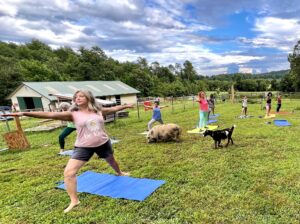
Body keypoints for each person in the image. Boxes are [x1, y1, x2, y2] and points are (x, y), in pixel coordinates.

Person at [4, 90, 134, 213]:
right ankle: (74, 201)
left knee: (111, 160)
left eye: (81, 96)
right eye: (76, 97)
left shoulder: (98, 111)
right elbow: (50, 114)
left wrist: (126, 105)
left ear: (89, 98)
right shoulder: (73, 114)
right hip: (84, 146)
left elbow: (113, 109)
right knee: (69, 172)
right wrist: (25, 113)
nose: (77, 98)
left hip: (103, 142)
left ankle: (120, 172)